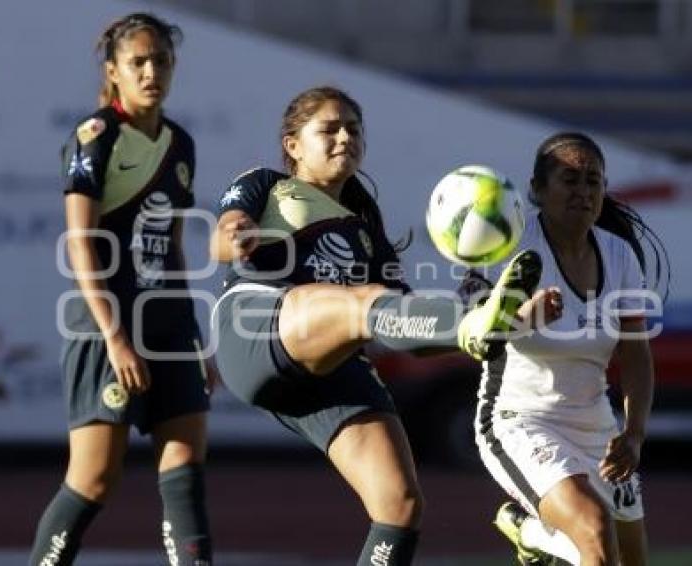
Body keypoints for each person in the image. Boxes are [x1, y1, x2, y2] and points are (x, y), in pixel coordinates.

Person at [208, 85, 550, 565]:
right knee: (365, 300)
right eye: (328, 129)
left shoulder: (368, 232)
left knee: (400, 504)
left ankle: (486, 317)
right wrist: (235, 236)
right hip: (255, 329)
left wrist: (465, 302)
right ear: (292, 145)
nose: (344, 136)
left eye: (353, 128)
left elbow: (404, 332)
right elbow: (222, 239)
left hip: (327, 363)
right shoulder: (267, 183)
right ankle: (482, 320)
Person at [29, 13, 213, 565]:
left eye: (161, 60)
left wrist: (194, 337)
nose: (151, 71)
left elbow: (172, 247)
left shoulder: (180, 144)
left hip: (170, 326)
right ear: (114, 71)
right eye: (138, 62)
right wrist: (115, 337)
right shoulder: (96, 137)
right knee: (94, 479)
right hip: (107, 329)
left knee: (185, 471)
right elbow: (80, 244)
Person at [472, 132, 668, 566]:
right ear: (538, 189)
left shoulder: (619, 256)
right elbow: (472, 334)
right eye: (569, 180)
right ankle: (530, 530)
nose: (583, 191)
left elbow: (635, 353)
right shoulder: (509, 248)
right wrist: (522, 315)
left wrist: (633, 433)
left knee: (628, 560)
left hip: (596, 423)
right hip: (519, 421)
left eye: (592, 181)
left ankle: (537, 537)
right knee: (595, 536)